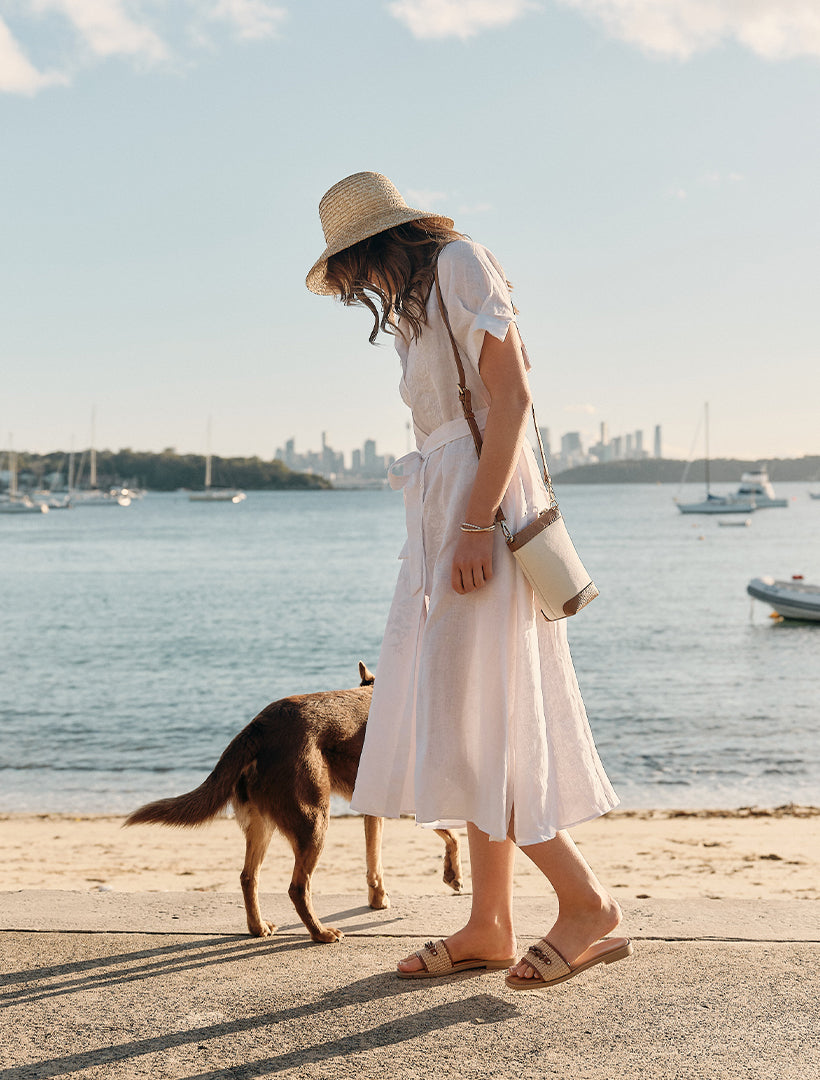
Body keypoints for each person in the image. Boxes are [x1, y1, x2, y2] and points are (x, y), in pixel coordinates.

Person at [306, 172, 631, 989]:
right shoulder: (418, 303)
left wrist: (478, 522)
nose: (359, 289)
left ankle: (588, 905)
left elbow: (513, 396)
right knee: (470, 717)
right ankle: (490, 923)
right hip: (446, 517)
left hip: (478, 514)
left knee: (479, 716)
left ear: (376, 244)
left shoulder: (459, 262)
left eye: (353, 269)